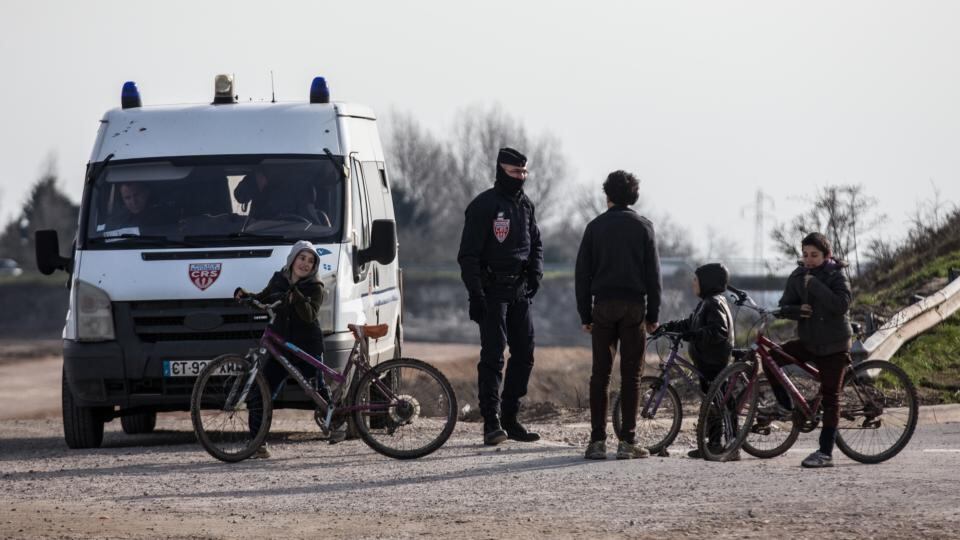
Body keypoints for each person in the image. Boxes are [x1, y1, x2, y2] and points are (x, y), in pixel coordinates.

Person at [457, 147, 543, 446]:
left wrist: (536, 273)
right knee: (493, 356)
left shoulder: (526, 206)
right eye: (515, 172)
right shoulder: (483, 206)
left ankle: (510, 418)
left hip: (519, 292)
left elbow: (536, 243)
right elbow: (467, 256)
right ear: (501, 171)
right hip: (492, 292)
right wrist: (476, 295)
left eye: (524, 173)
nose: (521, 177)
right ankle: (491, 422)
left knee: (525, 354)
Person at [575, 170, 662, 460]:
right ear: (634, 196)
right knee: (631, 376)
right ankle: (627, 441)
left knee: (600, 374)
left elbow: (582, 275)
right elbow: (654, 275)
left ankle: (597, 441)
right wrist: (653, 314)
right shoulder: (644, 227)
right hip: (634, 306)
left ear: (607, 195)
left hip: (603, 306)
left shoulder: (595, 227)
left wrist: (584, 313)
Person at [235, 240, 330, 458]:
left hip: (307, 345)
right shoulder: (279, 279)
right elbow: (264, 297)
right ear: (293, 258)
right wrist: (246, 297)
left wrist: (295, 296)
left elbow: (309, 315)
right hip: (281, 345)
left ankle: (337, 422)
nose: (305, 264)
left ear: (314, 266)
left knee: (317, 390)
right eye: (301, 258)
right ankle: (257, 443)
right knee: (261, 391)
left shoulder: (315, 287)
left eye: (310, 261)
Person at [769, 232, 853, 468]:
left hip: (835, 345)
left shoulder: (836, 275)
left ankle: (825, 453)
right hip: (809, 342)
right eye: (805, 255)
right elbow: (784, 306)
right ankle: (785, 406)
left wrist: (815, 286)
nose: (809, 260)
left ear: (828, 255)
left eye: (814, 255)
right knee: (772, 357)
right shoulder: (798, 275)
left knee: (831, 398)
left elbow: (841, 305)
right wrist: (798, 311)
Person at [659, 263, 736, 459]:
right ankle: (712, 443)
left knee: (719, 403)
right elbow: (690, 323)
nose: (693, 283)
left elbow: (719, 331)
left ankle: (730, 444)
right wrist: (668, 327)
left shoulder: (715, 302)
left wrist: (694, 335)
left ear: (707, 282)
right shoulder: (706, 302)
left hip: (714, 361)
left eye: (696, 279)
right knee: (710, 402)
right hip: (705, 360)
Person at [234, 167, 321, 223]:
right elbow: (240, 195)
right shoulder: (258, 176)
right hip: (258, 236)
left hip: (297, 236)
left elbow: (314, 228)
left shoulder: (300, 184)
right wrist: (256, 180)